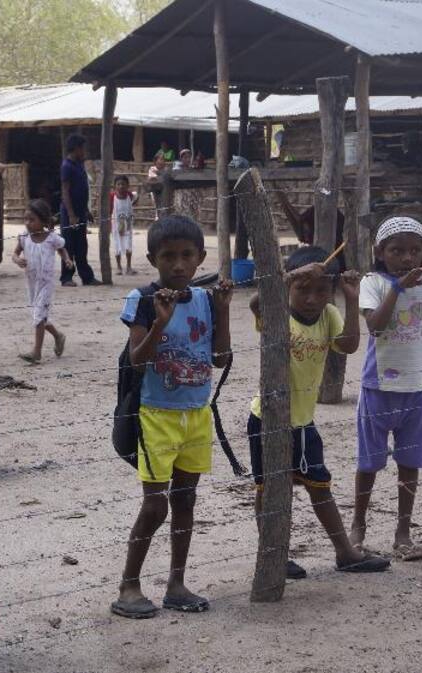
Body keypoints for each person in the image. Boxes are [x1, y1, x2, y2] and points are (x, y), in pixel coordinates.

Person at [111, 215, 233, 619]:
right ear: (153, 259)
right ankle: (129, 585)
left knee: (186, 501)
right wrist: (160, 324)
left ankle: (176, 583)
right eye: (168, 257)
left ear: (200, 257)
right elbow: (137, 357)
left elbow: (219, 358)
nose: (178, 265)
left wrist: (224, 312)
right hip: (156, 415)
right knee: (155, 506)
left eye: (186, 256)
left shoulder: (204, 300)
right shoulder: (142, 300)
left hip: (195, 414)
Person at [246, 247, 391, 578]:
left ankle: (345, 553)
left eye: (322, 290)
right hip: (267, 419)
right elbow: (256, 303)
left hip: (303, 422)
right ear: (289, 288)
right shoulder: (277, 310)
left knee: (319, 485)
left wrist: (352, 300)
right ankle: (273, 555)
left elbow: (350, 344)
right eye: (303, 289)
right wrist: (285, 279)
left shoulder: (328, 315)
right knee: (269, 491)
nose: (312, 298)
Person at [349, 216, 422, 562]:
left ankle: (403, 532)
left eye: (415, 251)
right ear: (380, 252)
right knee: (370, 462)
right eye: (397, 251)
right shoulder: (373, 282)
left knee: (409, 461)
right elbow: (375, 326)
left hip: (421, 385)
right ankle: (358, 527)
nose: (407, 258)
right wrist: (397, 289)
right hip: (380, 385)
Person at [12, 199, 72, 364]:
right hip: (32, 284)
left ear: (44, 221)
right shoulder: (24, 237)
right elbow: (15, 254)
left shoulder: (51, 238)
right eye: (26, 219)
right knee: (40, 316)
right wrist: (18, 260)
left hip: (46, 284)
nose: (28, 223)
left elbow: (62, 249)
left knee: (39, 315)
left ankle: (36, 352)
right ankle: (58, 336)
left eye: (32, 220)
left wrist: (67, 260)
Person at [59, 134, 99, 286]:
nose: (84, 151)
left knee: (82, 245)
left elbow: (82, 190)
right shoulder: (66, 166)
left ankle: (87, 277)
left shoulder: (79, 165)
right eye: (82, 148)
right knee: (68, 244)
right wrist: (71, 215)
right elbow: (65, 192)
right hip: (70, 213)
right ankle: (66, 277)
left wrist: (86, 211)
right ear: (75, 149)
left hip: (80, 212)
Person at [111, 175, 139, 275]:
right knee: (117, 245)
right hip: (116, 226)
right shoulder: (112, 197)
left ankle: (128, 266)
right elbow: (109, 210)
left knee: (128, 245)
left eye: (123, 184)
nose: (121, 186)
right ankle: (118, 267)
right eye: (118, 184)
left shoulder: (130, 196)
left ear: (127, 185)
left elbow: (136, 199)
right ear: (115, 186)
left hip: (127, 225)